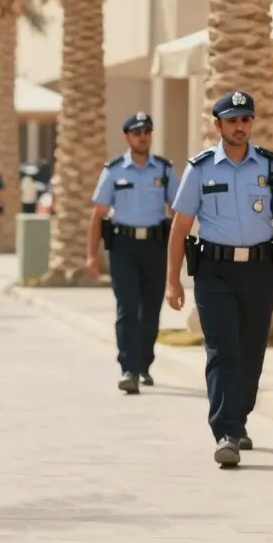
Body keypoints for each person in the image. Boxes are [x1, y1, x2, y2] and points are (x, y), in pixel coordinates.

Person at [166, 91, 273, 468]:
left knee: (250, 351)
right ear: (218, 125)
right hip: (214, 271)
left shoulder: (271, 167)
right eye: (232, 120)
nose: (240, 126)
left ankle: (238, 419)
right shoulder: (201, 168)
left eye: (246, 119)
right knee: (223, 349)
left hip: (259, 270)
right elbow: (180, 228)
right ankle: (225, 432)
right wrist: (173, 282)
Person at [85, 112, 178, 394]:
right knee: (127, 307)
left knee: (149, 309)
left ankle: (144, 363)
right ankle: (128, 367)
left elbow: (178, 211)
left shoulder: (164, 170)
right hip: (123, 247)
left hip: (154, 246)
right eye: (137, 132)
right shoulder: (114, 170)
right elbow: (98, 214)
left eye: (147, 132)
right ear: (127, 137)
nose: (143, 137)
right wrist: (91, 254)